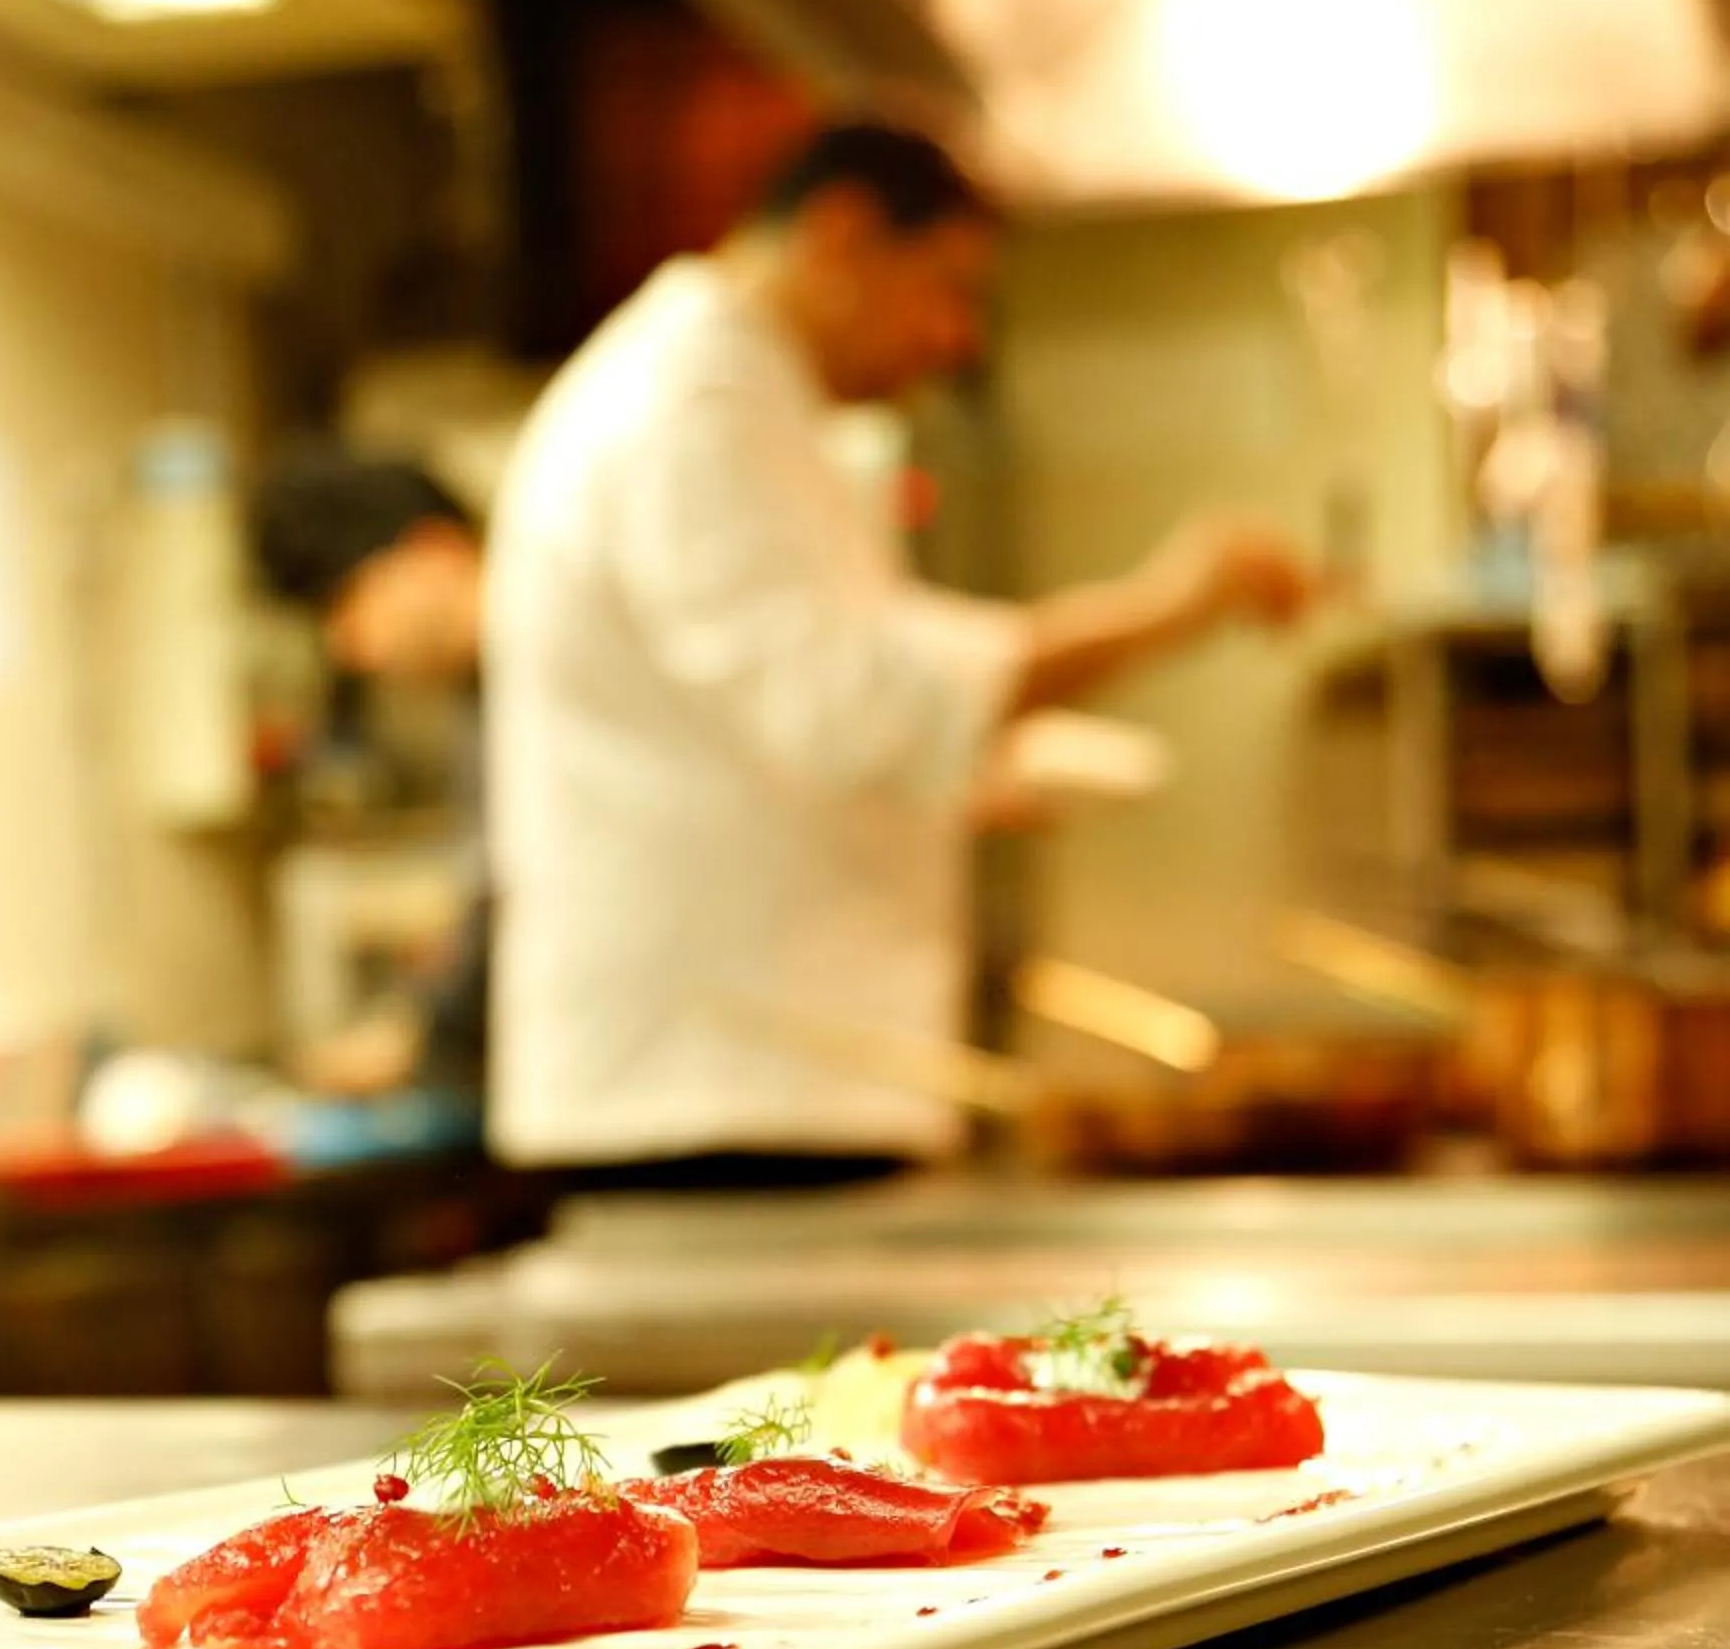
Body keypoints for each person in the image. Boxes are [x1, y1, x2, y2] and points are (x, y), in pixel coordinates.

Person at [483, 120, 1320, 1189]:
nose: (954, 338)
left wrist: (971, 774)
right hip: (708, 1103)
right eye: (946, 288)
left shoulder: (751, 400)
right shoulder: (687, 404)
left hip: (763, 1083)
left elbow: (794, 721)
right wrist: (1166, 608)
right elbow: (851, 704)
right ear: (842, 235)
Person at [250, 446, 490, 1102]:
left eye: (348, 601)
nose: (350, 647)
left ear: (434, 549)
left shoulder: (547, 681)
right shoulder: (479, 706)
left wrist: (420, 1036)